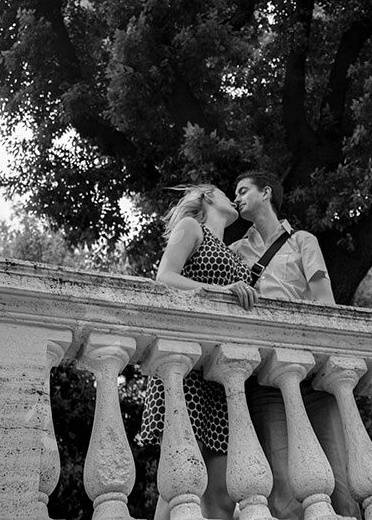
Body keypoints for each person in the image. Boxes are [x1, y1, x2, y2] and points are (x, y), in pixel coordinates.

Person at [231, 169, 359, 520]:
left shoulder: (303, 240)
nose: (237, 198)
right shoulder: (235, 251)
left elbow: (324, 303)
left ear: (266, 193)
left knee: (343, 484)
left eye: (243, 191)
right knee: (284, 491)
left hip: (315, 377)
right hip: (265, 376)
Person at [138, 184, 258, 520]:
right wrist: (223, 291)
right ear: (207, 196)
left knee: (221, 498)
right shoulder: (192, 228)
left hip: (221, 382)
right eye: (224, 191)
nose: (231, 197)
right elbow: (165, 276)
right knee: (181, 486)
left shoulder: (234, 252)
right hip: (186, 370)